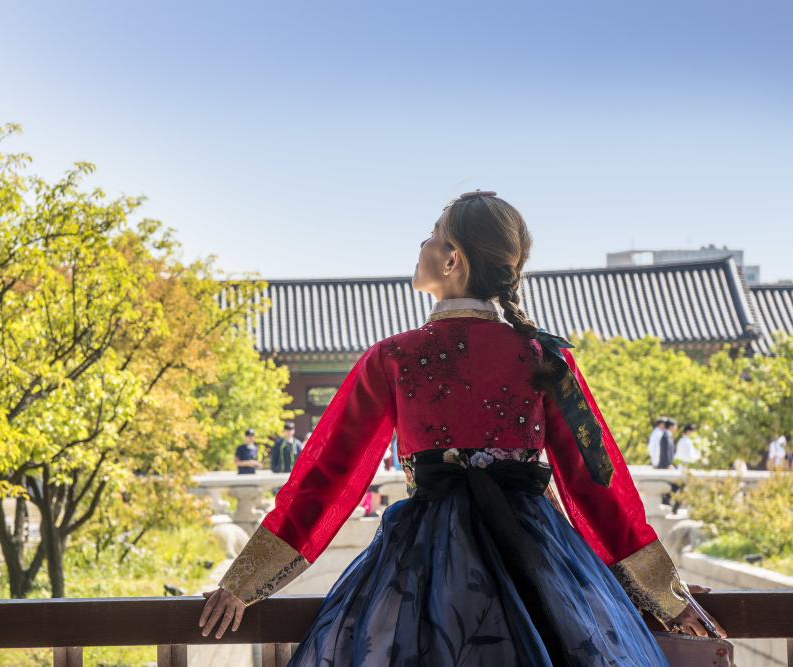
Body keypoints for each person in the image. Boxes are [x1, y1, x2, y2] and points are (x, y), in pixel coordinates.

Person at [199, 191, 723, 664]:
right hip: (542, 565)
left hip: (422, 566)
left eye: (432, 235)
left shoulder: (393, 357)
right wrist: (668, 599)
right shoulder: (545, 357)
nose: (421, 245)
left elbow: (327, 477)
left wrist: (241, 583)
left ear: (452, 260)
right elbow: (596, 482)